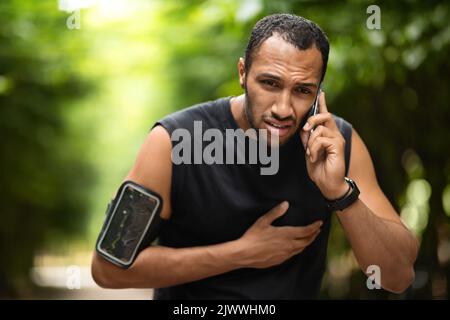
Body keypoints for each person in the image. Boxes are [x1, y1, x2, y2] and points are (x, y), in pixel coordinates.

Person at [91, 13, 418, 299]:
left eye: (303, 90)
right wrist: (241, 254)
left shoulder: (339, 143)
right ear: (243, 73)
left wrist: (340, 193)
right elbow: (108, 268)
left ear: (319, 91)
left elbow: (397, 275)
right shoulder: (171, 142)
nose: (283, 109)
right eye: (270, 83)